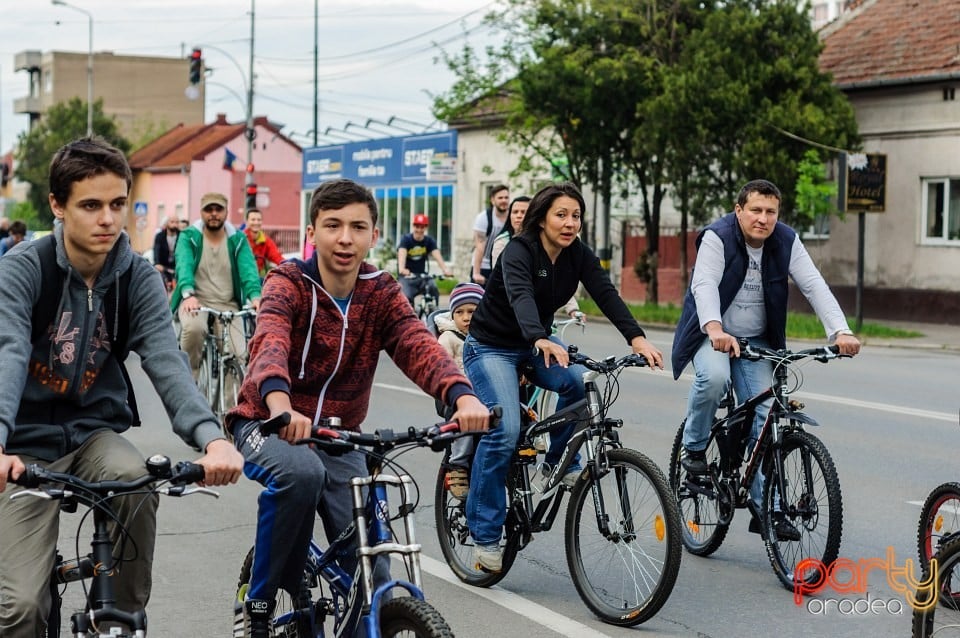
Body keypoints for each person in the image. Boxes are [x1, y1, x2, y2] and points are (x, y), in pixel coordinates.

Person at [0, 137, 244, 636]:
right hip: (22, 444)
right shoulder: (24, 270)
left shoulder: (135, 276)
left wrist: (212, 438)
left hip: (94, 434)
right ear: (58, 206)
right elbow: (9, 355)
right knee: (22, 609)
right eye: (90, 205)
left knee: (136, 481)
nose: (108, 219)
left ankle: (120, 621)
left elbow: (166, 358)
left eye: (117, 204)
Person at [226, 178, 490, 637]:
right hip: (267, 422)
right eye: (332, 225)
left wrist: (461, 395)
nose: (345, 237)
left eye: (357, 227)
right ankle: (260, 602)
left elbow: (416, 343)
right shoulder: (288, 282)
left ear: (373, 235)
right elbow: (270, 341)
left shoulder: (380, 291)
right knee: (301, 475)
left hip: (339, 434)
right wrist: (280, 403)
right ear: (312, 232)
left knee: (374, 574)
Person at [463, 182, 664, 572]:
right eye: (561, 215)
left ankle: (557, 463)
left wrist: (637, 338)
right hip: (491, 346)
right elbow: (520, 295)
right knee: (503, 432)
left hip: (536, 341)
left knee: (577, 383)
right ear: (541, 218)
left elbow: (605, 292)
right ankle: (485, 534)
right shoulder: (519, 250)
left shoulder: (577, 254)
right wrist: (540, 336)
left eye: (576, 216)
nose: (570, 223)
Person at [671, 178, 861, 541]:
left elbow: (814, 285)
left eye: (770, 212)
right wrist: (714, 328)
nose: (763, 218)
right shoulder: (718, 236)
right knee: (713, 379)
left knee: (767, 414)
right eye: (755, 210)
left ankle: (768, 509)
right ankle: (694, 451)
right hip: (713, 333)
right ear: (739, 210)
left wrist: (840, 331)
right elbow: (705, 284)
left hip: (758, 341)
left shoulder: (786, 240)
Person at [172, 192, 262, 382]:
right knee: (194, 330)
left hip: (228, 304)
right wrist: (187, 293)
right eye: (209, 209)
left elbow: (248, 270)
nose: (214, 213)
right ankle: (188, 383)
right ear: (201, 212)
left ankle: (230, 409)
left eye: (218, 209)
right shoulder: (189, 236)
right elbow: (184, 264)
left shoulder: (238, 239)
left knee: (239, 354)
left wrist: (255, 296)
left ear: (226, 211)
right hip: (196, 302)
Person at [492, 195, 581, 318]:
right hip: (509, 312)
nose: (518, 216)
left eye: (523, 212)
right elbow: (511, 284)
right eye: (514, 212)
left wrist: (572, 309)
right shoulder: (502, 243)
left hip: (541, 314)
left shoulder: (549, 244)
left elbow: (557, 282)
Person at [435, 282, 485, 499]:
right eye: (460, 312)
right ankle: (457, 466)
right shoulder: (449, 338)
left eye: (472, 312)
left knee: (521, 411)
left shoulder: (487, 337)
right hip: (458, 396)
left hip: (486, 393)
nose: (466, 317)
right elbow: (440, 367)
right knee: (465, 425)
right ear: (452, 315)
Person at [396, 213, 452, 307]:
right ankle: (409, 318)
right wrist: (402, 269)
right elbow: (402, 254)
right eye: (417, 226)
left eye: (422, 227)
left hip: (422, 276)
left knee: (433, 288)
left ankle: (433, 313)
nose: (419, 230)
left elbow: (437, 255)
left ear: (426, 228)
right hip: (407, 277)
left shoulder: (429, 241)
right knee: (406, 297)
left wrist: (445, 269)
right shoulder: (406, 240)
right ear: (413, 226)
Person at [471, 184, 510, 286]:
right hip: (484, 265)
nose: (504, 200)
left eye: (506, 197)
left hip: (503, 266)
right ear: (492, 200)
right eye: (500, 198)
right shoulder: (483, 218)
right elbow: (479, 246)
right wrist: (476, 273)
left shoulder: (512, 217)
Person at [243, 208, 284, 278]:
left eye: (259, 220)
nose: (256, 222)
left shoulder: (265, 241)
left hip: (255, 278)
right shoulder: (241, 239)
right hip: (240, 277)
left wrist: (288, 265)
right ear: (247, 221)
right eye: (253, 220)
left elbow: (277, 257)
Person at [152, 213, 180, 289]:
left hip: (177, 267)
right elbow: (156, 251)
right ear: (167, 223)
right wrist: (157, 263)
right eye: (172, 222)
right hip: (163, 267)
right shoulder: (160, 236)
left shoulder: (182, 236)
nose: (175, 224)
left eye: (177, 222)